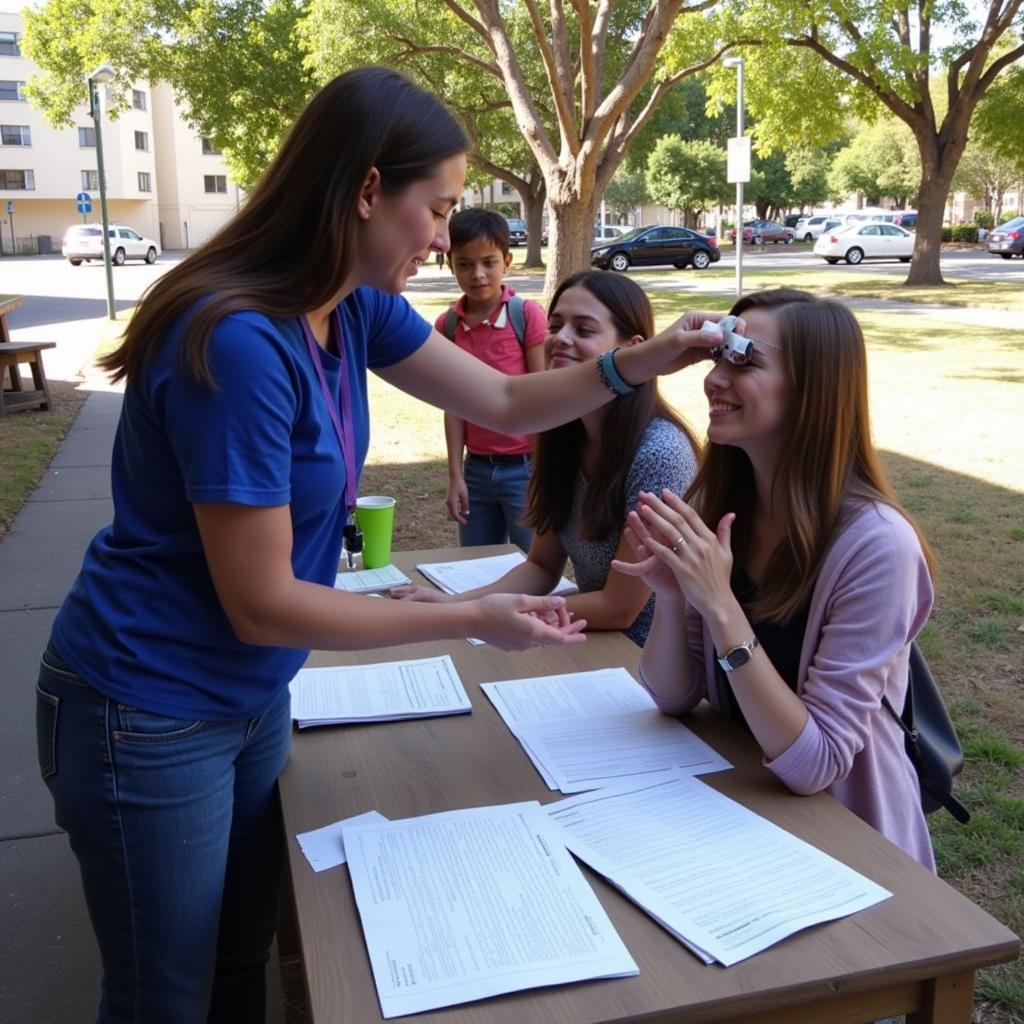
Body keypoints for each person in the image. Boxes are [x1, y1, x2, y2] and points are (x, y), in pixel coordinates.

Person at [35, 66, 724, 1023]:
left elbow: (506, 399)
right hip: (146, 709)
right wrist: (468, 618)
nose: (447, 237)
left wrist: (642, 360)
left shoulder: (351, 304)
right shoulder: (239, 341)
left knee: (242, 965)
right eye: (436, 208)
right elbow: (262, 600)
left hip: (246, 697)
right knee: (164, 994)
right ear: (366, 190)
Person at [615, 287, 937, 869]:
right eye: (718, 356)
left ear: (812, 390)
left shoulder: (878, 547)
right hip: (736, 821)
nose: (714, 378)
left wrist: (720, 606)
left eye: (745, 359)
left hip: (848, 847)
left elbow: (816, 764)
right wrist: (669, 596)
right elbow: (673, 695)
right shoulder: (721, 507)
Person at [395, 270, 699, 646]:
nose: (560, 340)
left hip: (655, 661)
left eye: (584, 330)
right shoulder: (561, 435)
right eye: (556, 326)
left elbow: (621, 607)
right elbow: (541, 565)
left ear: (636, 349)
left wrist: (477, 616)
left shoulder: (659, 453)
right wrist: (452, 605)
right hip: (589, 643)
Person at [438, 208, 547, 551]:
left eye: (489, 262)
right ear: (450, 263)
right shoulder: (447, 327)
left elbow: (542, 398)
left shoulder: (525, 315)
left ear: (507, 261)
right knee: (476, 568)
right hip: (477, 473)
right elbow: (452, 407)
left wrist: (544, 471)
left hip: (525, 471)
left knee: (532, 568)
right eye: (465, 264)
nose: (478, 274)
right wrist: (456, 474)